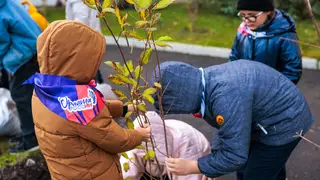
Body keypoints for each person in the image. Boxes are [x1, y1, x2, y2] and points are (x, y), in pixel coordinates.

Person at [24, 20, 151, 180]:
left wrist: (124, 109)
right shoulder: (79, 104)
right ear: (77, 61)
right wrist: (139, 135)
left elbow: (94, 111)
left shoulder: (45, 88)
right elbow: (115, 139)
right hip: (93, 173)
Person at [151, 61, 314, 180]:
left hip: (286, 123)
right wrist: (212, 165)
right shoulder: (204, 83)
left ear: (181, 98)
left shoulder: (224, 98)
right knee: (260, 168)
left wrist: (195, 167)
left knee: (254, 174)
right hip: (269, 115)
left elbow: (235, 156)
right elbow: (227, 130)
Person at [0, 0, 42, 153]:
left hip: (22, 56)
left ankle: (30, 141)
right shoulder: (8, 3)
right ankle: (30, 135)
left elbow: (1, 43)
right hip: (34, 51)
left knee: (21, 97)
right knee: (31, 97)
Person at [120, 111, 211, 180]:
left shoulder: (187, 146)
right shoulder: (136, 147)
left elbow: (190, 175)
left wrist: (207, 169)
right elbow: (126, 174)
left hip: (193, 155)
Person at [229, 0, 302, 84]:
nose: (246, 21)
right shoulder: (243, 31)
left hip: (270, 93)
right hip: (244, 90)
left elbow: (292, 71)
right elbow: (233, 59)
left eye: (252, 15)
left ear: (267, 11)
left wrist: (270, 92)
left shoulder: (285, 35)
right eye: (243, 15)